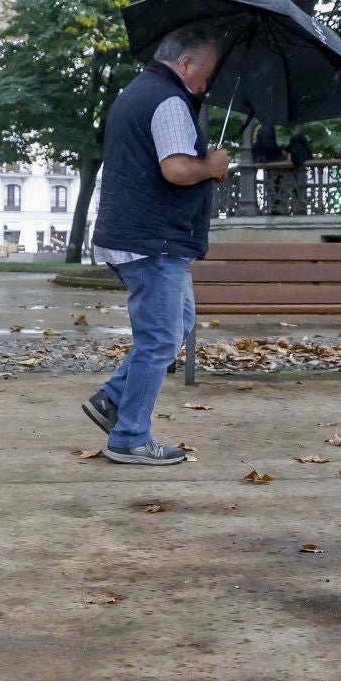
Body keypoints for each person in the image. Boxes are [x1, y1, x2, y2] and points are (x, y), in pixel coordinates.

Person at [80, 23, 229, 466]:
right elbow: (177, 169)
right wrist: (213, 165)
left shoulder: (139, 92)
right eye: (205, 73)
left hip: (141, 234)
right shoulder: (168, 101)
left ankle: (112, 400)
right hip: (153, 240)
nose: (207, 84)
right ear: (184, 63)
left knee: (176, 324)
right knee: (160, 338)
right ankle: (129, 436)